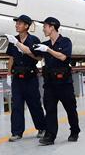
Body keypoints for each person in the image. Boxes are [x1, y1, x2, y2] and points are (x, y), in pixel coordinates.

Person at [32, 17, 80, 145]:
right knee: (50, 110)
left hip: (64, 83)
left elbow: (63, 57)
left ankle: (74, 132)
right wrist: (18, 44)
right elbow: (34, 54)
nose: (43, 29)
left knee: (70, 109)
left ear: (52, 27)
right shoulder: (45, 44)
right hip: (50, 84)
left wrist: (47, 50)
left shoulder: (65, 42)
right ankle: (50, 136)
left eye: (45, 27)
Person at [4, 15, 46, 141]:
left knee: (34, 104)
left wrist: (26, 51)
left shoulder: (34, 39)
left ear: (26, 26)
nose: (17, 25)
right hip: (17, 77)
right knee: (16, 105)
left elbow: (39, 57)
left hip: (30, 77)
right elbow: (11, 58)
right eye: (16, 23)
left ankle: (42, 128)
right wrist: (8, 74)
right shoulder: (13, 40)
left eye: (20, 23)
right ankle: (17, 132)